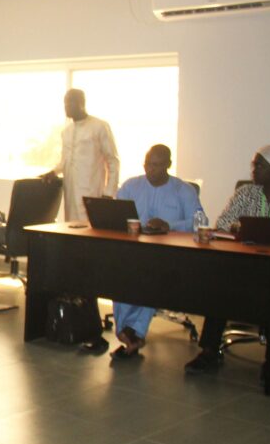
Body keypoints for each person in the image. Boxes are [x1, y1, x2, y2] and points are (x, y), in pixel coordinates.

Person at [185, 145, 270, 375]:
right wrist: (237, 228)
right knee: (221, 289)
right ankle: (209, 352)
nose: (254, 169)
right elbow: (223, 224)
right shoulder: (245, 193)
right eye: (253, 164)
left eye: (260, 165)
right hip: (245, 263)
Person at [108, 144, 203, 359]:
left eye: (157, 165)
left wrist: (170, 225)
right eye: (148, 164)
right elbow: (115, 214)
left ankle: (132, 332)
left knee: (152, 274)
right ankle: (128, 333)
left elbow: (199, 222)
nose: (151, 170)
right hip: (133, 250)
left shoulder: (183, 190)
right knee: (117, 274)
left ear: (168, 165)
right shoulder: (131, 186)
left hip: (169, 254)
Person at [42, 89, 120, 221]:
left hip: (93, 192)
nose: (66, 106)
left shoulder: (99, 126)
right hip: (71, 193)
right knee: (71, 228)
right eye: (65, 103)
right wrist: (53, 172)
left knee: (91, 229)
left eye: (70, 102)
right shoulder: (66, 131)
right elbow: (65, 161)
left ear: (81, 103)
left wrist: (109, 193)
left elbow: (113, 160)